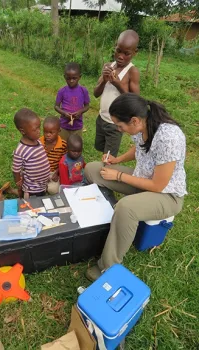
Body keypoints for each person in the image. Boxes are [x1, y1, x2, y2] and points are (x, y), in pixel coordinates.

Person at [85, 93, 187, 281]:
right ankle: (104, 216)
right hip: (143, 179)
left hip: (167, 195)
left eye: (120, 125)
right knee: (93, 169)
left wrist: (119, 175)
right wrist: (117, 160)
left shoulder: (169, 137)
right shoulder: (141, 126)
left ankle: (108, 267)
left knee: (126, 208)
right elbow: (139, 147)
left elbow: (157, 185)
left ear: (134, 120)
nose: (118, 129)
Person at [94, 29, 140, 157]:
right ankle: (102, 169)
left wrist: (117, 83)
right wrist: (104, 80)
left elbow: (135, 102)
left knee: (109, 157)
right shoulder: (109, 66)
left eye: (126, 53)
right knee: (101, 148)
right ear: (115, 47)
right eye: (118, 51)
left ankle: (106, 172)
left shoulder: (132, 72)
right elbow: (96, 93)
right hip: (101, 118)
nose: (121, 56)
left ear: (134, 53)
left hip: (115, 124)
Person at [12, 108, 50, 199]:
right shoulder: (20, 151)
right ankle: (15, 193)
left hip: (42, 185)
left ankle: (10, 190)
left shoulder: (38, 141)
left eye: (39, 127)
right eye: (35, 129)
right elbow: (15, 170)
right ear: (23, 131)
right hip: (31, 189)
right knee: (33, 207)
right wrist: (19, 184)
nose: (39, 131)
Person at [55, 62, 90, 141]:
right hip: (64, 126)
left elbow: (87, 106)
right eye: (68, 78)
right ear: (65, 77)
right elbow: (56, 106)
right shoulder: (62, 91)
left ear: (79, 77)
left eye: (74, 78)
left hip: (77, 126)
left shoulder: (83, 91)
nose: (71, 81)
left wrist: (80, 112)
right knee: (62, 146)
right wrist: (64, 113)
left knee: (75, 147)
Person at [39, 116, 67, 194]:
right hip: (40, 171)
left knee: (53, 190)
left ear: (59, 131)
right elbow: (36, 161)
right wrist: (42, 174)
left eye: (51, 132)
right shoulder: (38, 143)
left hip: (54, 172)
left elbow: (64, 161)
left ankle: (47, 187)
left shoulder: (63, 145)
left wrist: (57, 172)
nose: (48, 135)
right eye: (45, 132)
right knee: (37, 190)